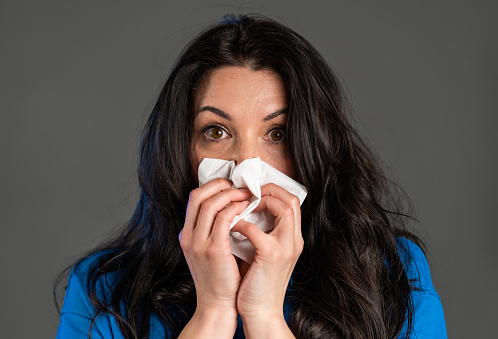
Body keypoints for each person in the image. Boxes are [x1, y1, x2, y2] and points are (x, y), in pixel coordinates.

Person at [55, 14, 447, 338]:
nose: (246, 165)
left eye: (277, 134)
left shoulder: (391, 274)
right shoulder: (102, 289)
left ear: (313, 146)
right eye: (216, 132)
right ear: (181, 149)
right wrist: (212, 312)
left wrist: (263, 316)